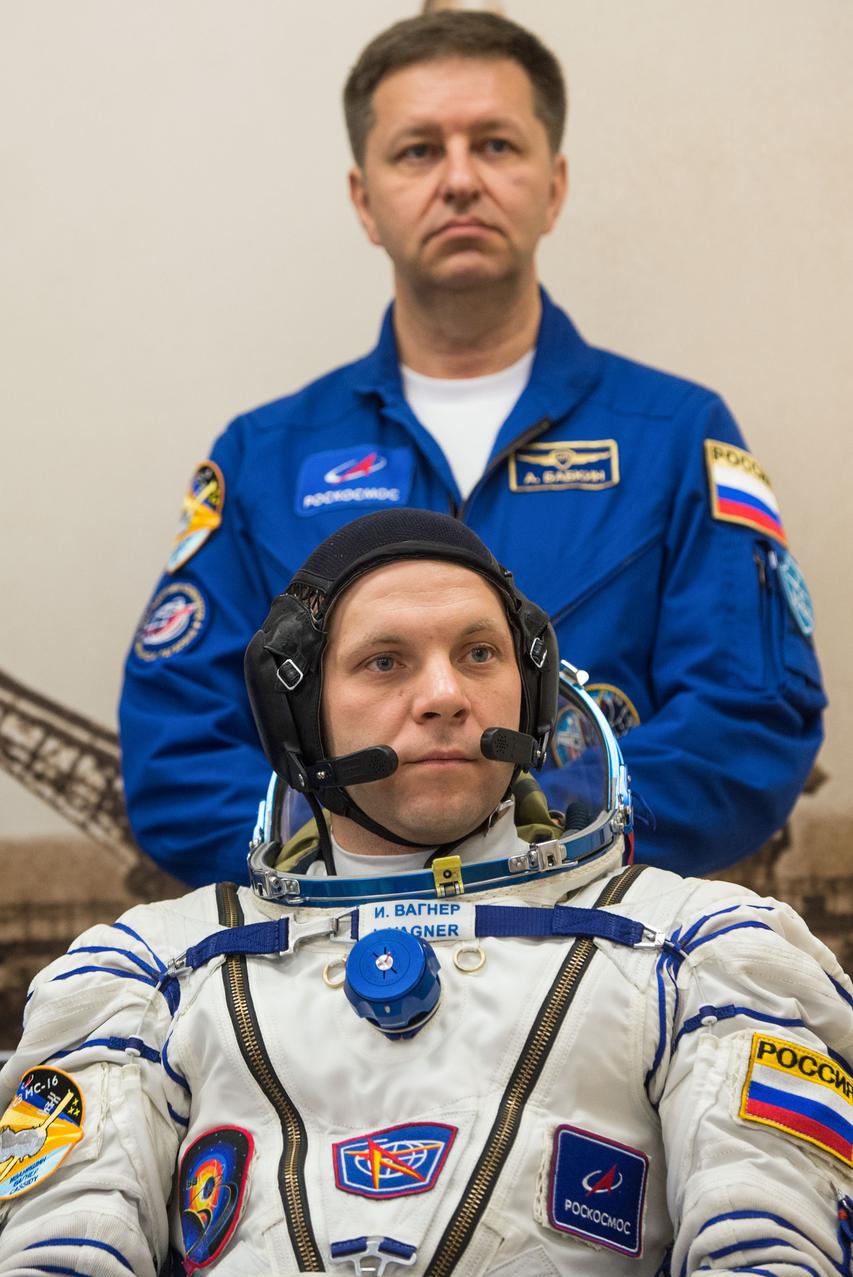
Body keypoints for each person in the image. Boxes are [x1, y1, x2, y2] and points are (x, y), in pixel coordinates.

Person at [4, 511, 850, 1277]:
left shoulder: (698, 953)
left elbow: (771, 1251)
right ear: (300, 720)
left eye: (478, 654)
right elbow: (60, 1255)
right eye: (384, 662)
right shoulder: (151, 976)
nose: (445, 696)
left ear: (533, 691)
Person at [118, 10, 825, 888]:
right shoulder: (261, 457)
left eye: (495, 145)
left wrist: (538, 845)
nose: (458, 180)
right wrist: (352, 859)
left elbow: (749, 718)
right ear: (364, 199)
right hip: (319, 968)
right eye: (417, 151)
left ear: (553, 185)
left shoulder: (678, 436)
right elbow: (175, 746)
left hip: (604, 955)